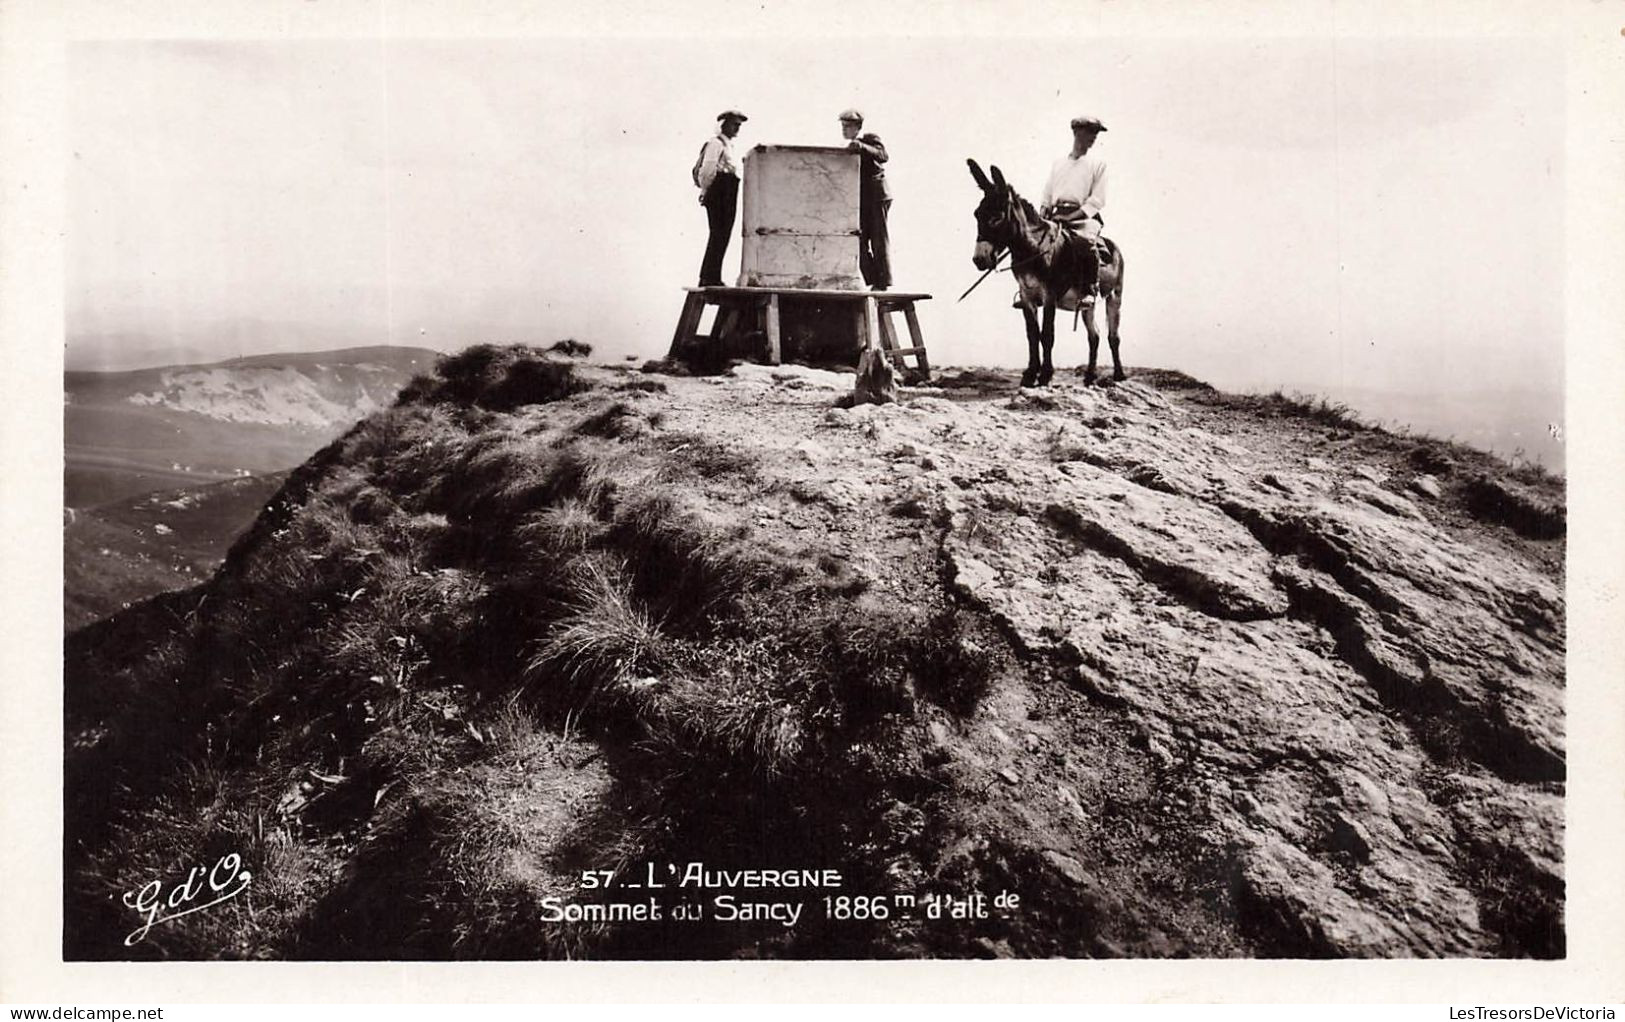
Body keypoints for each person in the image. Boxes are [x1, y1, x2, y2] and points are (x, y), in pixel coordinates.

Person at [1041, 115, 1109, 261]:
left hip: (1082, 221)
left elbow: (1097, 200)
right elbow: (1047, 195)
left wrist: (1070, 217)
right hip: (1056, 218)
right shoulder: (1058, 164)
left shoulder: (1097, 165)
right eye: (1090, 131)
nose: (1094, 136)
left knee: (1085, 247)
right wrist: (1044, 212)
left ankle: (1091, 283)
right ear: (1076, 132)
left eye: (1096, 133)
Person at [838, 109, 892, 290]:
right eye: (843, 126)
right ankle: (874, 280)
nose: (844, 130)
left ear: (858, 127)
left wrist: (861, 146)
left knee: (878, 239)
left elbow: (883, 155)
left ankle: (882, 283)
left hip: (877, 196)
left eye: (848, 126)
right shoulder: (850, 148)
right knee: (858, 241)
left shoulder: (868, 139)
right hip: (862, 200)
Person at [694, 109, 747, 287]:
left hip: (728, 188)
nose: (737, 128)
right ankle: (709, 276)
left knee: (723, 234)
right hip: (720, 189)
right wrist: (707, 191)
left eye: (738, 125)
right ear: (724, 125)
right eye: (734, 124)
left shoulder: (728, 145)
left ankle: (712, 275)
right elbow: (708, 170)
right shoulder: (716, 143)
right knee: (718, 233)